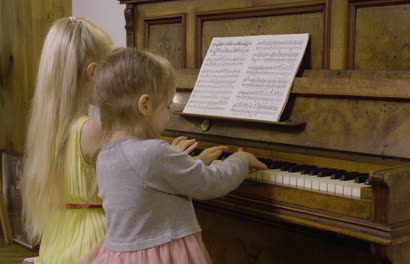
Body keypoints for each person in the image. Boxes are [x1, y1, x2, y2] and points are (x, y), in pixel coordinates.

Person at [86, 48, 266, 264]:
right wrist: (241, 161)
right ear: (145, 105)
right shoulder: (152, 152)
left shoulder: (105, 153)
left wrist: (193, 162)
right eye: (168, 106)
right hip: (162, 255)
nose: (169, 116)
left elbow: (148, 183)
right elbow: (210, 183)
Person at [20, 16, 113, 264]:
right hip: (93, 243)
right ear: (92, 72)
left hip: (58, 239)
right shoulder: (93, 130)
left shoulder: (46, 128)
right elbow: (127, 185)